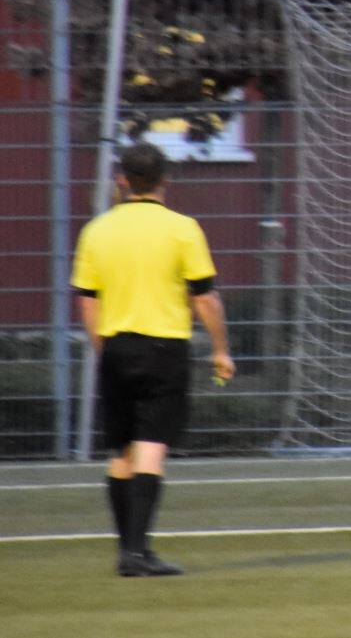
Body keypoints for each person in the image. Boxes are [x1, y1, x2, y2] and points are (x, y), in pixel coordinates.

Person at [70, 142, 235, 577]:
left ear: (122, 180)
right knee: (150, 448)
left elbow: (87, 300)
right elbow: (205, 298)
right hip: (164, 348)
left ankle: (128, 551)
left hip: (115, 346)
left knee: (122, 451)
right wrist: (220, 349)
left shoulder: (97, 231)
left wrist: (103, 349)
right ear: (165, 180)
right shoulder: (182, 229)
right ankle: (138, 553)